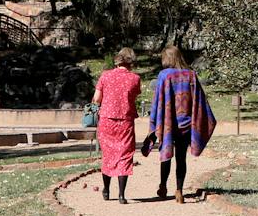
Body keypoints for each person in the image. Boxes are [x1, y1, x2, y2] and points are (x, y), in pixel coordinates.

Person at [148, 45, 216, 203]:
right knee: (181, 158)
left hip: (168, 124)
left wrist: (154, 122)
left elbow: (158, 100)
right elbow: (199, 100)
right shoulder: (191, 75)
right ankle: (179, 190)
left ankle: (163, 185)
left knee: (165, 155)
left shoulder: (164, 75)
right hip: (186, 124)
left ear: (167, 58)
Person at [92, 47, 141, 203]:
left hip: (107, 120)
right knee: (124, 156)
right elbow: (133, 96)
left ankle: (106, 190)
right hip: (125, 121)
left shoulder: (105, 76)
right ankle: (121, 195)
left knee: (108, 155)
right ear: (131, 61)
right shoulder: (135, 78)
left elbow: (96, 99)